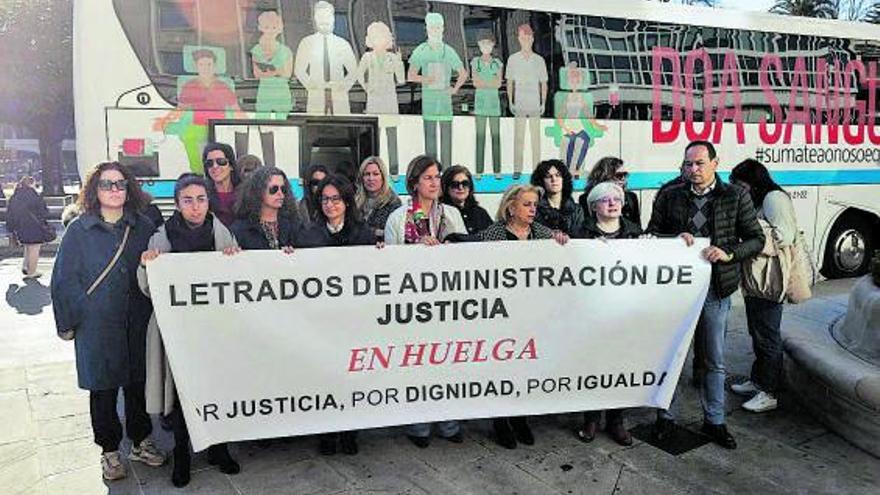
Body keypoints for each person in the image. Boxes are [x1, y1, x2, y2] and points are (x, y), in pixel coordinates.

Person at [50, 162, 166, 481]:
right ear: (94, 190)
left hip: (137, 321)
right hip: (96, 325)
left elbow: (161, 266)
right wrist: (70, 320)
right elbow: (63, 279)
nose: (114, 190)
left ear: (129, 189)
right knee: (102, 389)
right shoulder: (79, 229)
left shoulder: (143, 226)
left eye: (120, 184)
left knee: (137, 385)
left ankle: (140, 441)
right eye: (106, 184)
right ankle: (110, 450)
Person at [647, 140, 765, 450]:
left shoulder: (735, 196)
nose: (693, 170)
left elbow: (756, 239)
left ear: (715, 162)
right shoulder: (670, 195)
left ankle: (715, 420)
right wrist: (673, 239)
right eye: (688, 164)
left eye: (699, 163)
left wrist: (729, 253)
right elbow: (650, 233)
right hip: (675, 290)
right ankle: (664, 416)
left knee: (715, 359)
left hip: (716, 288)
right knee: (671, 356)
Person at [138, 174, 241, 487]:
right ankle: (182, 454)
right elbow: (146, 287)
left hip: (215, 330)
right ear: (178, 203)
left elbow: (239, 283)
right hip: (177, 333)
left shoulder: (224, 235)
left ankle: (218, 448)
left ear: (208, 201)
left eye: (201, 199)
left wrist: (236, 263)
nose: (195, 207)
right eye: (188, 200)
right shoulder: (161, 237)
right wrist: (148, 265)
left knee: (217, 390)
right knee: (183, 395)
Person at [476, 184, 568, 449]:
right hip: (500, 314)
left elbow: (562, 259)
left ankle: (519, 417)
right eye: (527, 204)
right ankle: (500, 419)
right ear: (511, 208)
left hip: (532, 315)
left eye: (534, 205)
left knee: (525, 366)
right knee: (501, 366)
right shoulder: (492, 235)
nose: (532, 210)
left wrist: (561, 242)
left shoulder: (542, 234)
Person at [385, 155, 467, 447]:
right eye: (428, 177)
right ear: (415, 183)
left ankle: (449, 423)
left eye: (437, 176)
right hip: (412, 303)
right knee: (415, 365)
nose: (434, 182)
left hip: (447, 303)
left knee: (448, 363)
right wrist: (416, 251)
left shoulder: (452, 215)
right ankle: (418, 425)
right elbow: (389, 264)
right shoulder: (398, 217)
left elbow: (467, 256)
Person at [573, 181, 641, 446]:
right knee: (594, 364)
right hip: (591, 313)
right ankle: (591, 418)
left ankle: (616, 420)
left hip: (624, 313)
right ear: (593, 206)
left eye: (616, 199)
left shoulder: (636, 234)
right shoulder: (580, 233)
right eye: (605, 200)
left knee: (620, 364)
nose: (612, 203)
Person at [729, 159, 798, 414]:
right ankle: (758, 381)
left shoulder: (774, 198)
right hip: (757, 276)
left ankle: (769, 391)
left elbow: (784, 236)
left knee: (767, 334)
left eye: (741, 184)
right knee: (757, 330)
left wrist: (750, 228)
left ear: (753, 182)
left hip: (770, 276)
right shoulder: (760, 199)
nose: (738, 189)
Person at [407, 13, 467, 168]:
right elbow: (411, 75)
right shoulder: (421, 50)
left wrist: (455, 89)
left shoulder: (449, 51)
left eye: (438, 27)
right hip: (429, 105)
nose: (435, 30)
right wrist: (426, 79)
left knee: (446, 145)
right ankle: (432, 174)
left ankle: (446, 174)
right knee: (430, 146)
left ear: (443, 29)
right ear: (426, 29)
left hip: (446, 104)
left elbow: (463, 73)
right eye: (432, 27)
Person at [357, 22, 405, 176]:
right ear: (370, 39)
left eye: (382, 37)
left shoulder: (393, 57)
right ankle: (372, 171)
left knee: (392, 138)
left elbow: (401, 80)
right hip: (374, 102)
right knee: (373, 138)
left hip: (390, 102)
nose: (379, 40)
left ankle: (394, 171)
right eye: (375, 37)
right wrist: (366, 88)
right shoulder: (367, 57)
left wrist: (399, 63)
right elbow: (358, 75)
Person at [293, 0, 358, 115]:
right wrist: (312, 85)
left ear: (333, 18)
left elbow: (353, 71)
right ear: (315, 19)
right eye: (320, 17)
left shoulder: (343, 44)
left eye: (327, 16)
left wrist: (342, 86)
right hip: (316, 97)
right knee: (316, 127)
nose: (324, 20)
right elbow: (299, 70)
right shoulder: (307, 43)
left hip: (339, 98)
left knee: (341, 128)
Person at [506, 24, 548, 179]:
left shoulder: (539, 60)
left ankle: (537, 169)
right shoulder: (513, 59)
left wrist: (543, 102)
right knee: (519, 138)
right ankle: (517, 169)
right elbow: (510, 82)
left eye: (528, 37)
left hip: (534, 104)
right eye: (523, 38)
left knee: (535, 139)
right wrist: (510, 101)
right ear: (519, 39)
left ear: (532, 39)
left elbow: (543, 83)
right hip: (520, 104)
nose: (526, 41)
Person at [231, 166, 300, 251]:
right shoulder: (241, 229)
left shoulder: (295, 225)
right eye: (274, 189)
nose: (280, 193)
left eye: (283, 189)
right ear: (259, 191)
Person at [6, 176, 54, 278]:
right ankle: (32, 272)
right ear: (31, 184)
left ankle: (26, 267)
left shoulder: (14, 196)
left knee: (27, 246)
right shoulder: (34, 195)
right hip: (34, 226)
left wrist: (11, 228)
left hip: (20, 226)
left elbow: (9, 214)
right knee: (34, 248)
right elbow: (44, 211)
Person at [251, 10, 294, 119]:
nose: (270, 31)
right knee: (263, 125)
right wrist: (277, 72)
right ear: (260, 28)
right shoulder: (256, 50)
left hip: (282, 94)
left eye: (274, 27)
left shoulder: (286, 50)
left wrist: (270, 72)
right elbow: (257, 74)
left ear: (280, 29)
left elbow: (287, 74)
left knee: (284, 126)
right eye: (267, 27)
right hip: (265, 93)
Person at [470, 35, 503, 178]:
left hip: (494, 105)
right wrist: (490, 82)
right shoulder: (475, 62)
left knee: (496, 137)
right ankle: (479, 171)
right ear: (479, 46)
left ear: (492, 46)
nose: (486, 47)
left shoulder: (497, 63)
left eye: (488, 45)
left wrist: (485, 83)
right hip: (480, 105)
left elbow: (498, 83)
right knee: (480, 137)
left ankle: (497, 171)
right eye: (483, 45)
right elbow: (476, 83)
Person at [581, 156, 641, 227]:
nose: (623, 179)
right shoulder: (586, 198)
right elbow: (585, 227)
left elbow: (637, 227)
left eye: (625, 175)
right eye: (619, 175)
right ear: (604, 176)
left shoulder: (631, 197)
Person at [530, 159, 584, 235]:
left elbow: (579, 238)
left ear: (564, 179)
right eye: (548, 176)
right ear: (541, 181)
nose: (554, 179)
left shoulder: (577, 210)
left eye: (558, 175)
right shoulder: (534, 209)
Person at [355, 156, 401, 241]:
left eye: (375, 174)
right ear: (362, 178)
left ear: (383, 177)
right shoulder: (355, 202)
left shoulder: (394, 203)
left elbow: (393, 232)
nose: (371, 178)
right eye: (367, 174)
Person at [440, 165, 492, 236]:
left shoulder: (480, 213)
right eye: (455, 184)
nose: (460, 188)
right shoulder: (440, 212)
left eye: (465, 183)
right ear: (446, 187)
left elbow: (492, 238)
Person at [203, 142, 240, 227]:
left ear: (231, 166)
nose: (215, 166)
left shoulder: (246, 193)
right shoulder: (202, 194)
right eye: (209, 163)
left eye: (221, 161)